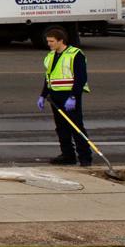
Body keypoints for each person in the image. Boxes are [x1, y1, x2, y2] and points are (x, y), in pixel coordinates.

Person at [37, 27, 91, 166]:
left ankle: (85, 157)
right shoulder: (51, 55)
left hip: (69, 96)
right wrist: (43, 95)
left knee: (76, 127)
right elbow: (48, 77)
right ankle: (68, 156)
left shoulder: (75, 54)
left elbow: (81, 78)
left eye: (52, 41)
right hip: (55, 96)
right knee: (61, 128)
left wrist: (73, 96)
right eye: (48, 41)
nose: (49, 44)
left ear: (61, 41)